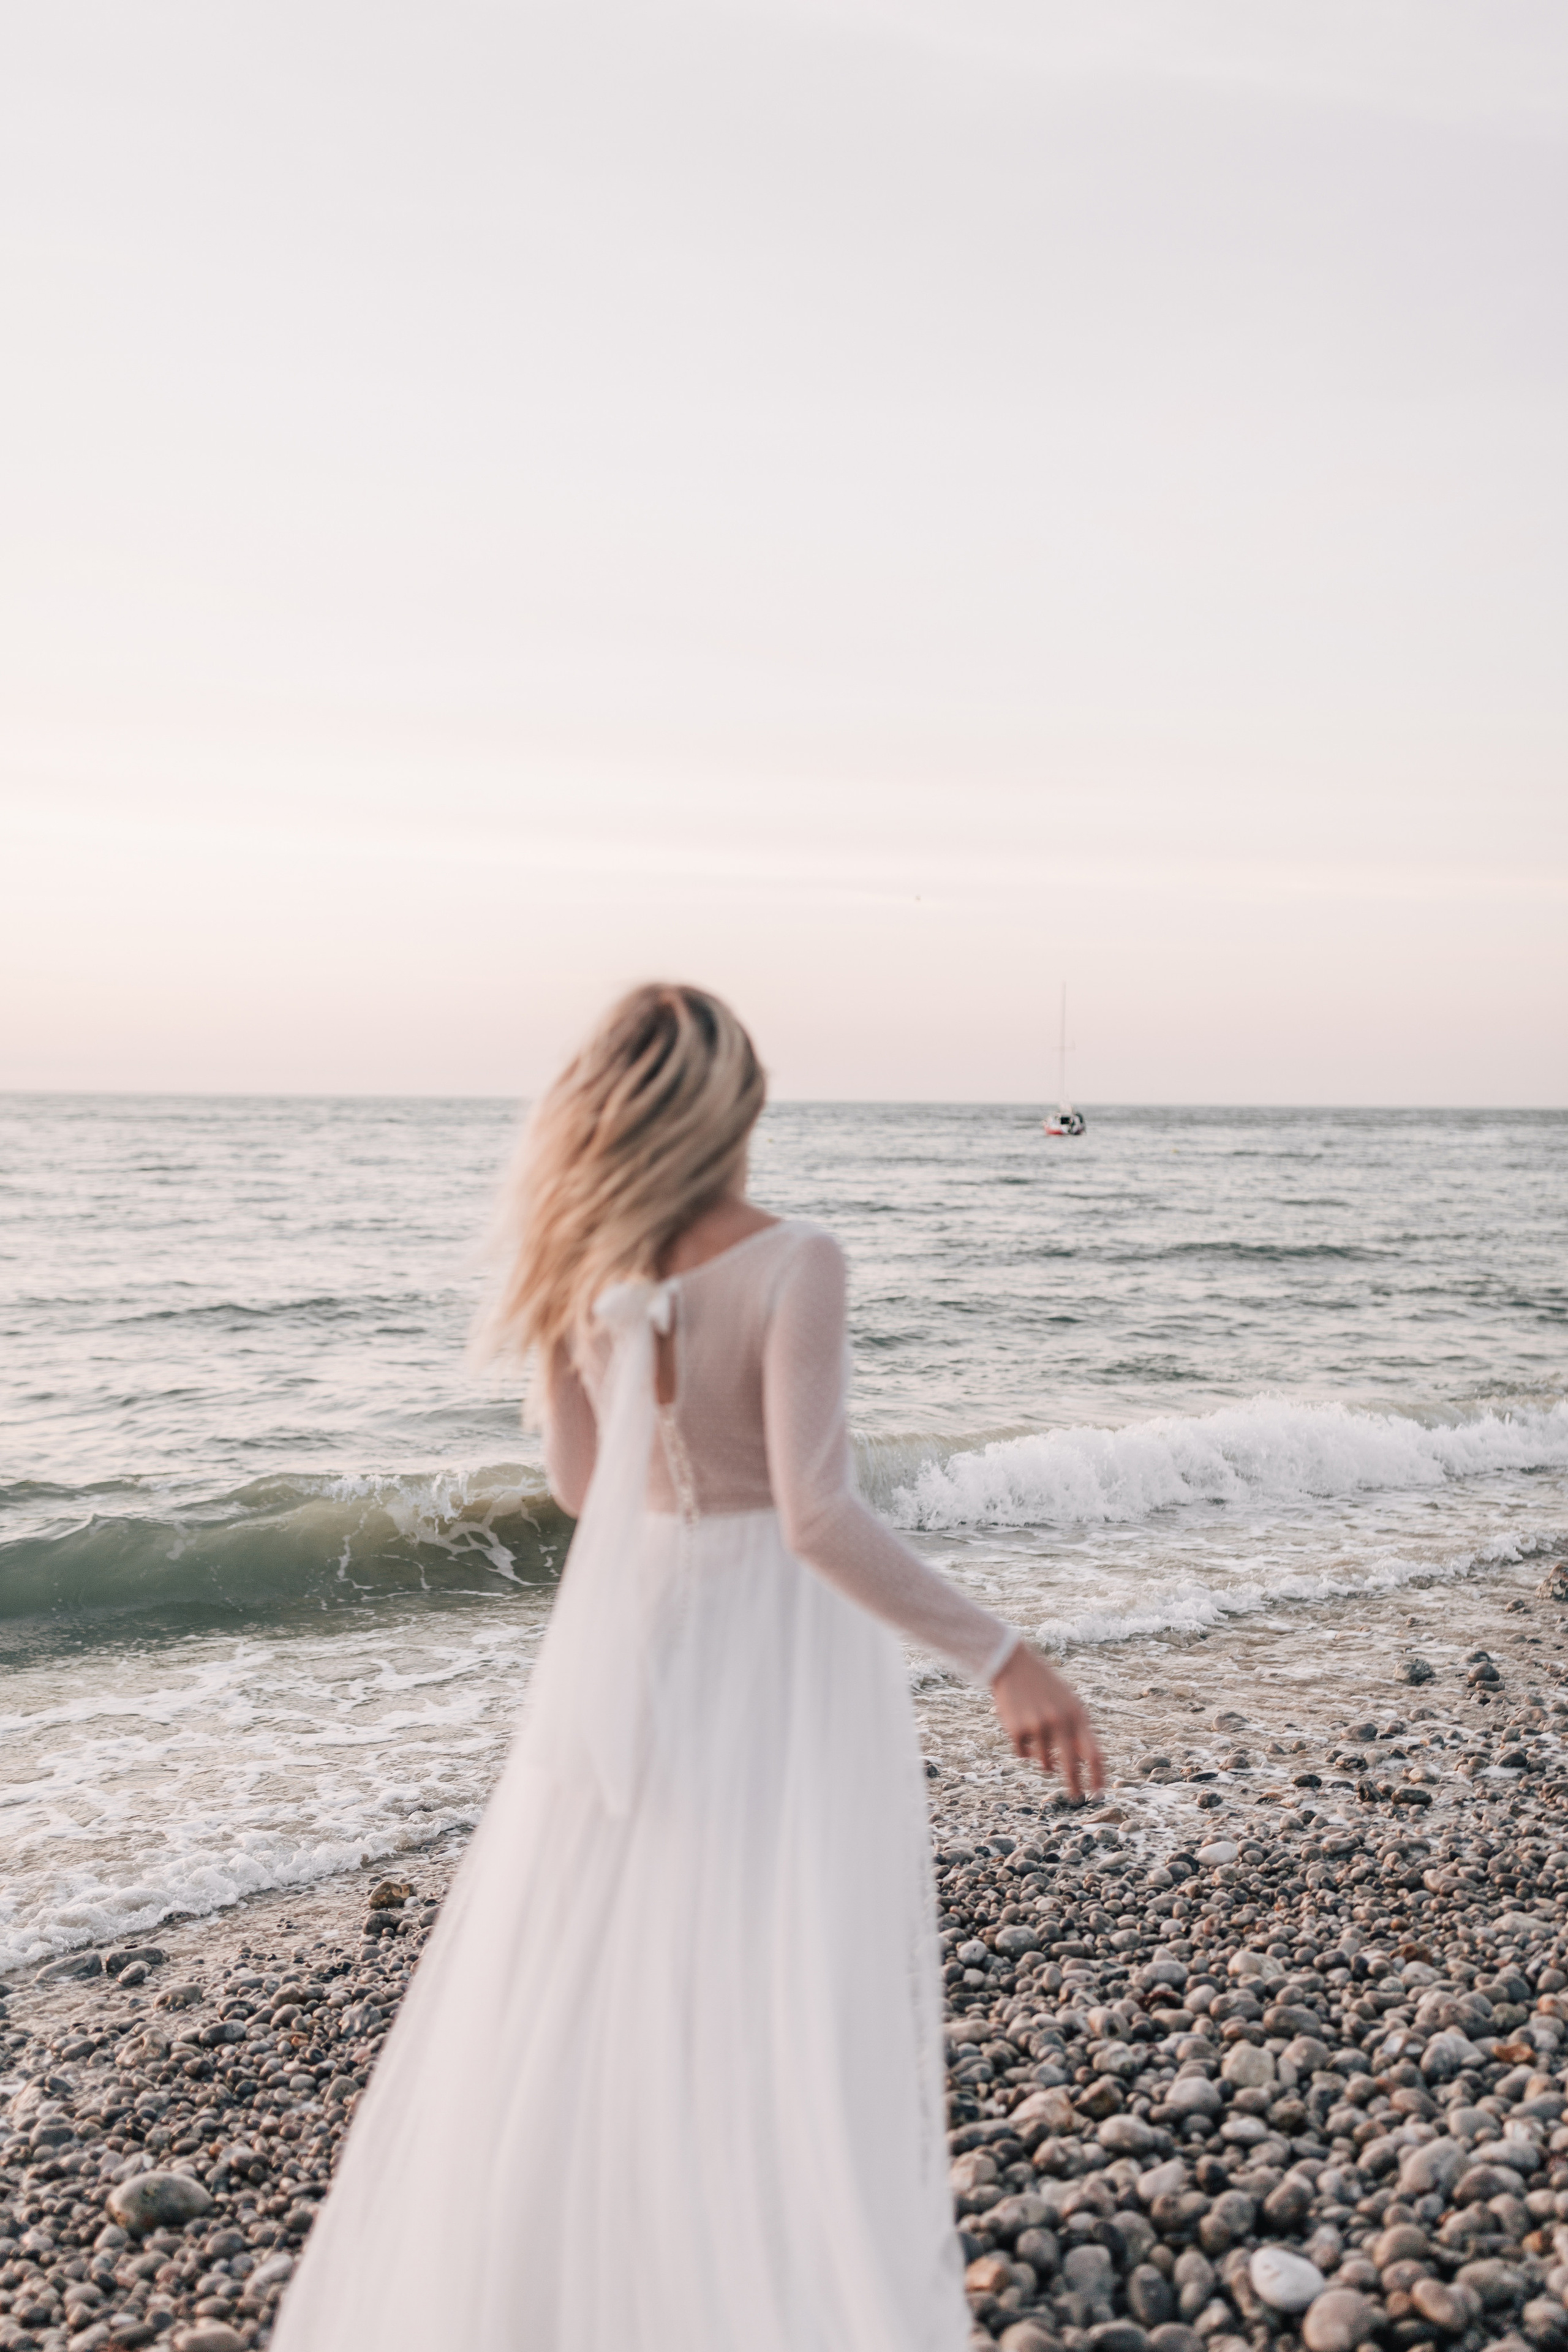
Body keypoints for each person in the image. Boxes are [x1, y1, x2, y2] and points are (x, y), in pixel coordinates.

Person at [272, 982, 1101, 2352]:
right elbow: (816, 1518)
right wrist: (1003, 1657)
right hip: (770, 1647)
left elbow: (581, 1486)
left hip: (634, 1637)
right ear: (735, 1109)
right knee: (769, 1965)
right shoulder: (794, 1261)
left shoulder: (573, 1272)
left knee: (607, 1970)